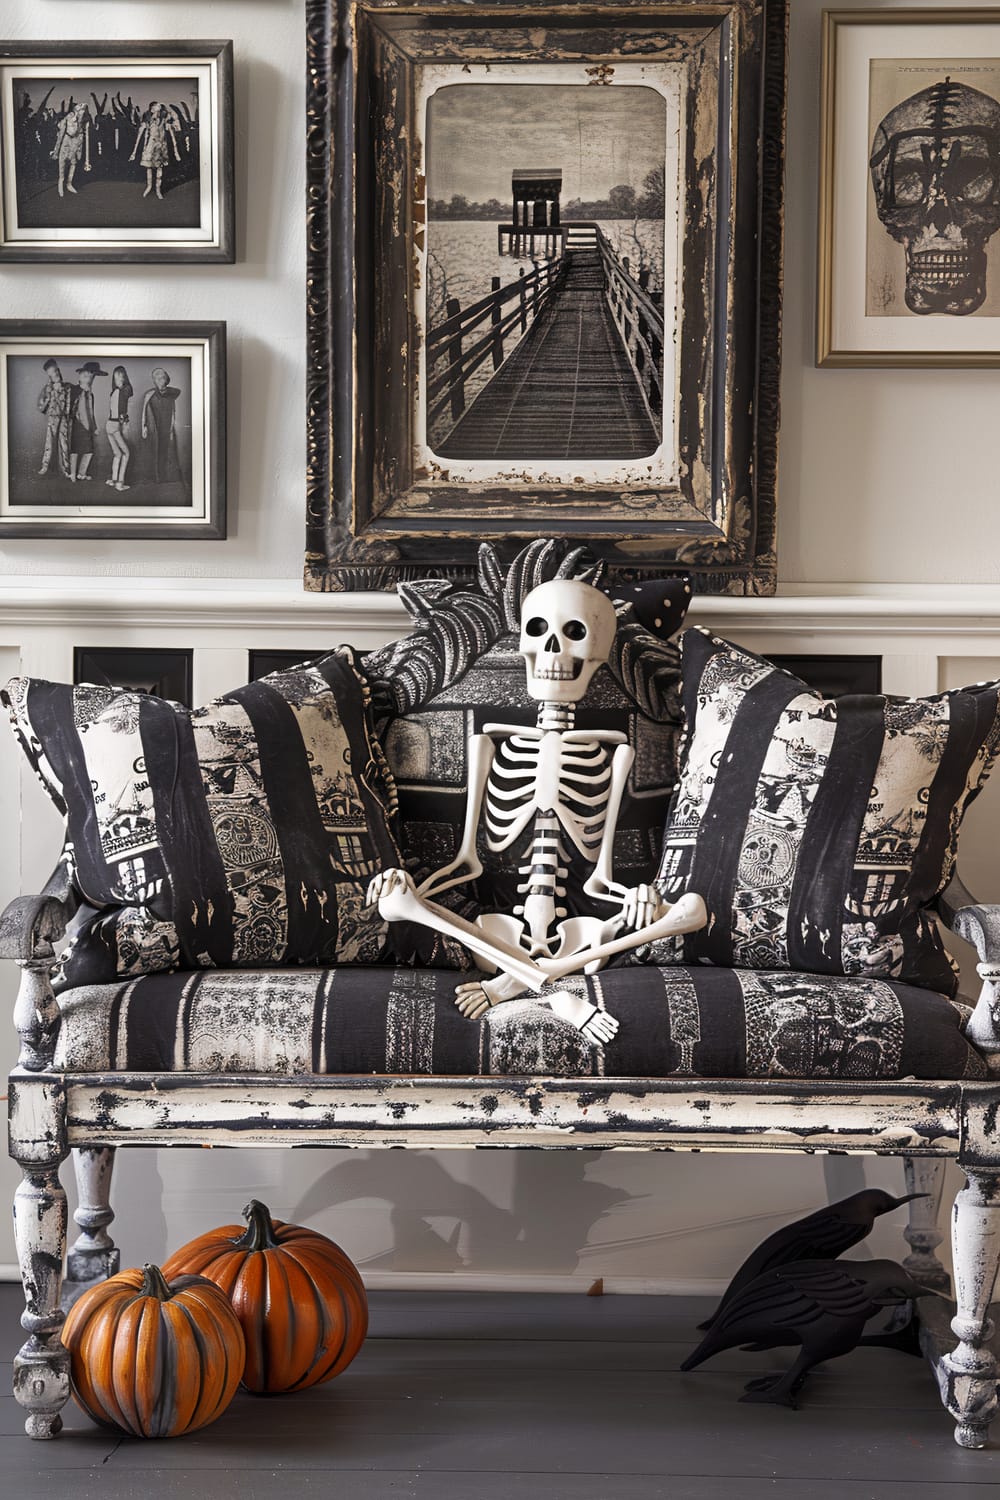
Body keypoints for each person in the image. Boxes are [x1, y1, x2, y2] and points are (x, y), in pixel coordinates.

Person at [129, 101, 180, 200]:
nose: (158, 107)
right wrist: (134, 152)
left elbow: (173, 135)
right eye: (155, 106)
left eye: (158, 106)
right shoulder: (148, 121)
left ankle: (158, 189)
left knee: (159, 169)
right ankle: (149, 186)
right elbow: (139, 136)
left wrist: (176, 151)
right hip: (150, 147)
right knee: (149, 168)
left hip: (161, 147)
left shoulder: (164, 120)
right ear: (151, 109)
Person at [141, 367, 181, 482]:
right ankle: (156, 477)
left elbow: (173, 411)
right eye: (156, 378)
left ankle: (164, 477)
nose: (159, 380)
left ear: (166, 379)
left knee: (166, 451)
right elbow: (144, 410)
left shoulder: (172, 393)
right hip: (154, 428)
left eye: (161, 378)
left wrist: (172, 428)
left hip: (167, 428)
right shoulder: (150, 394)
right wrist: (143, 426)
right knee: (155, 451)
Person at [68, 361, 106, 482]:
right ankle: (73, 474)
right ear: (80, 376)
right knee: (75, 450)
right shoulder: (74, 390)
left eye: (92, 377)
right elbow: (70, 409)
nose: (89, 379)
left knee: (89, 450)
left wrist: (94, 427)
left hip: (88, 426)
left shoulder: (91, 395)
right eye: (86, 376)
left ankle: (81, 473)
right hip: (77, 424)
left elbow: (91, 412)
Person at [36, 359, 71, 477]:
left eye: (56, 371)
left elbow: (68, 405)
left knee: (64, 443)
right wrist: (48, 398)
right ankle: (45, 466)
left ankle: (65, 468)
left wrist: (67, 415)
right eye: (52, 373)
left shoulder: (67, 387)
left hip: (63, 419)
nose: (55, 374)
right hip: (52, 418)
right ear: (48, 375)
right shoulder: (47, 389)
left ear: (59, 371)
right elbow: (41, 407)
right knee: (49, 443)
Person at [50, 101, 91, 197]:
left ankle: (69, 183)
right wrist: (56, 150)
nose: (82, 112)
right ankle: (61, 183)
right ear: (76, 110)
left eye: (83, 110)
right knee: (62, 162)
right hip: (66, 141)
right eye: (81, 110)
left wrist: (87, 159)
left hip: (76, 143)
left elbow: (86, 138)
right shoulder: (68, 117)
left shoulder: (85, 121)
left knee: (73, 163)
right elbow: (60, 135)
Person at [105, 365, 133, 492]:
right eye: (117, 377)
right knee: (126, 454)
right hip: (115, 425)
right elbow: (122, 413)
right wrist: (125, 423)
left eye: (120, 377)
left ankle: (113, 479)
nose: (119, 379)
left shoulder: (114, 392)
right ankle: (119, 483)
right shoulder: (123, 391)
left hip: (108, 425)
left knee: (117, 454)